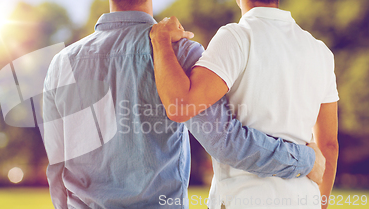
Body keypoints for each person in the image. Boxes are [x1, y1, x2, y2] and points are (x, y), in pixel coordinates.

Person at [42, 0, 325, 208]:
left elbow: (57, 166)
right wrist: (305, 159)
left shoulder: (61, 64)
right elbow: (225, 141)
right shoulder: (180, 52)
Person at [149, 0, 338, 208]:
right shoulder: (321, 53)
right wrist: (319, 202)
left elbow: (181, 106)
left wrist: (161, 42)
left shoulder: (237, 37)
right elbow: (329, 145)